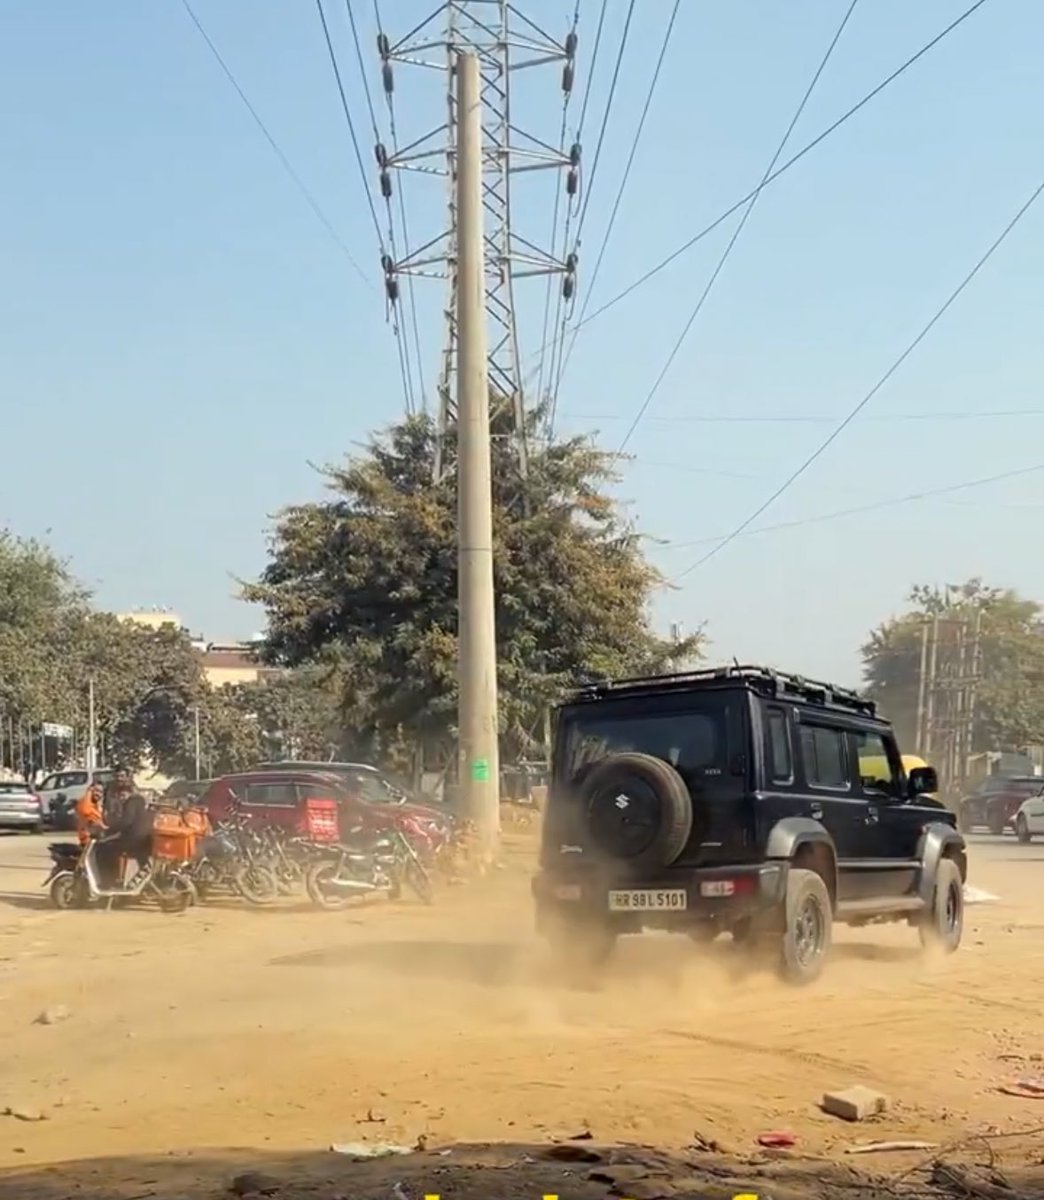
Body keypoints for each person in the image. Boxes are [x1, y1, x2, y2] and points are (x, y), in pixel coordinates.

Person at [75, 781, 106, 847]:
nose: (98, 794)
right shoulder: (84, 803)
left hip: (97, 841)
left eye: (101, 792)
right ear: (91, 790)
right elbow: (87, 812)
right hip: (88, 843)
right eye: (96, 790)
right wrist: (88, 792)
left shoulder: (96, 806)